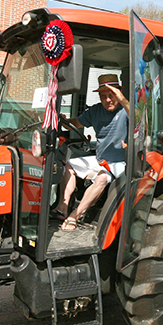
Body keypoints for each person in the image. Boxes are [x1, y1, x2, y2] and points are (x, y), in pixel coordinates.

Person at [54, 74, 129, 231]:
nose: (108, 99)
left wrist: (122, 99)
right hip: (101, 158)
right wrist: (63, 120)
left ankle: (75, 215)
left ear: (119, 94)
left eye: (112, 95)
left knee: (102, 178)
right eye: (104, 96)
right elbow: (76, 124)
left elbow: (140, 118)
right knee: (68, 166)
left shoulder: (126, 110)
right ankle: (63, 207)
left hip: (121, 162)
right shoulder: (95, 111)